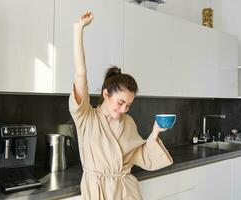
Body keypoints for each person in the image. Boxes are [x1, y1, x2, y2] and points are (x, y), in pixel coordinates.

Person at [69, 11, 173, 200]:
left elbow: (140, 154)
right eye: (120, 102)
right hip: (97, 191)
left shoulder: (129, 122)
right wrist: (79, 30)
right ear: (106, 94)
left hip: (126, 191)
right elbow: (80, 73)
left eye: (129, 105)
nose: (124, 109)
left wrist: (156, 131)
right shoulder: (86, 117)